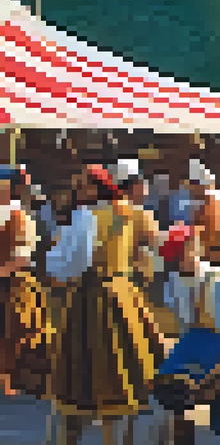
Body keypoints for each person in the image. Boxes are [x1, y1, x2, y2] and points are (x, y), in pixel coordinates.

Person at [46, 162, 165, 445]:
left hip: (93, 297)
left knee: (86, 369)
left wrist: (54, 265)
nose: (79, 190)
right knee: (125, 366)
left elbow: (76, 262)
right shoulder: (126, 213)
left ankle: (76, 435)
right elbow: (149, 254)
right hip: (124, 294)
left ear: (96, 187)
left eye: (84, 185)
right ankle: (121, 436)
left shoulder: (87, 216)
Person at [153, 224, 220, 445]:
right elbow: (179, 326)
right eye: (176, 257)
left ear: (195, 248)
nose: (183, 260)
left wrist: (218, 380)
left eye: (187, 250)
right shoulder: (173, 282)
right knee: (172, 397)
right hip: (194, 346)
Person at [0, 165, 49, 398]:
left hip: (15, 282)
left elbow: (21, 257)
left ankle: (11, 379)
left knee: (17, 333)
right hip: (11, 280)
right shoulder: (15, 215)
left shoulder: (19, 216)